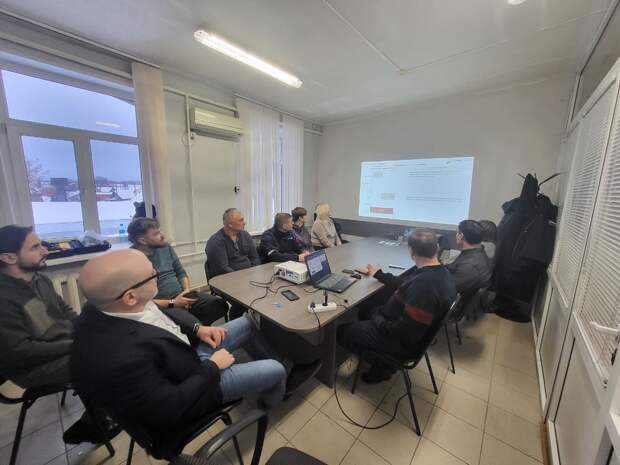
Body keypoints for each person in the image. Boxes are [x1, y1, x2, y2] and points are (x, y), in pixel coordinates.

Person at [71, 249, 308, 458]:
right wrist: (213, 366)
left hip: (186, 355)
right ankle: (272, 401)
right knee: (276, 369)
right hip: (198, 384)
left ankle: (279, 373)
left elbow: (162, 319)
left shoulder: (113, 304)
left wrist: (198, 329)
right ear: (130, 296)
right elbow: (171, 406)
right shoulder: (119, 356)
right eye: (152, 274)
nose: (158, 274)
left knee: (246, 322)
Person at [0, 225, 118, 444]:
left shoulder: (39, 279)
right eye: (35, 247)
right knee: (107, 358)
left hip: (62, 344)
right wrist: (77, 344)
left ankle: (101, 413)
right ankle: (94, 422)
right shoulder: (3, 298)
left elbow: (65, 311)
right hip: (31, 367)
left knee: (115, 337)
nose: (45, 250)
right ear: (8, 257)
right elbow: (21, 352)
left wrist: (88, 330)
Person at [338, 230, 456, 384]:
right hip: (403, 326)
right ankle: (375, 353)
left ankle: (381, 364)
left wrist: (377, 318)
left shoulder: (424, 287)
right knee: (366, 308)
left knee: (342, 332)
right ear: (436, 249)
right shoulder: (440, 272)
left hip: (399, 341)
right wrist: (379, 274)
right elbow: (407, 284)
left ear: (412, 252)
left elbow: (406, 332)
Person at [128, 218, 228, 325]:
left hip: (181, 295)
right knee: (192, 323)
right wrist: (173, 303)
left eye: (160, 231)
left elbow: (180, 272)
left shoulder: (165, 247)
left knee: (220, 305)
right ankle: (195, 329)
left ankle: (194, 331)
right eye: (156, 234)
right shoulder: (132, 260)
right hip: (163, 304)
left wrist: (186, 290)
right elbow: (143, 302)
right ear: (142, 240)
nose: (163, 235)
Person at [205, 208, 261, 319]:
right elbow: (223, 268)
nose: (244, 222)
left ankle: (259, 322)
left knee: (265, 293)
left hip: (248, 277)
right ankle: (237, 320)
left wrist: (255, 274)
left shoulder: (245, 235)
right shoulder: (216, 241)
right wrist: (245, 279)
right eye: (241, 220)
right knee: (244, 301)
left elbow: (255, 257)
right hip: (227, 281)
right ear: (230, 224)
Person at [446, 220, 493, 296]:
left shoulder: (469, 266)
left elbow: (447, 290)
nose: (456, 235)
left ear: (461, 236)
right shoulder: (478, 252)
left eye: (457, 232)